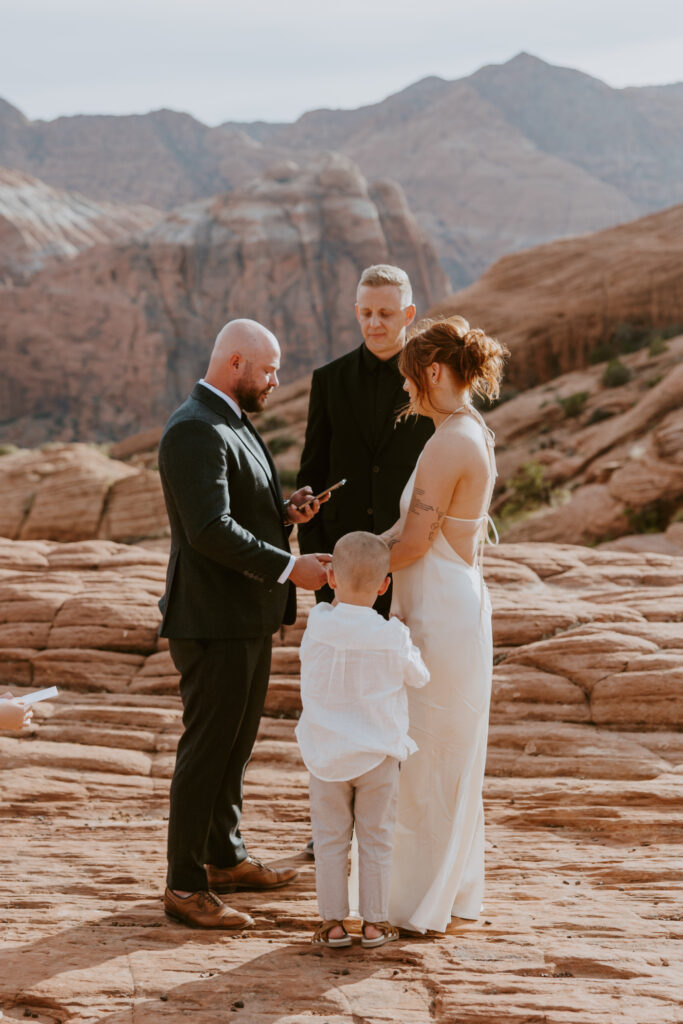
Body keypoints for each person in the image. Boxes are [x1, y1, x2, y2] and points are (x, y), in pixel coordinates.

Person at [158, 318, 331, 930]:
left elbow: (237, 510)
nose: (276, 380)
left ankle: (224, 858)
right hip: (212, 621)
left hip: (244, 617)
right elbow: (208, 531)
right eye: (268, 369)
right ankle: (183, 884)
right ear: (235, 363)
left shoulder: (229, 418)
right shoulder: (193, 429)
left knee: (234, 747)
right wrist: (291, 567)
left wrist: (284, 513)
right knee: (206, 751)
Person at [381, 315, 509, 934]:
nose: (407, 390)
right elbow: (413, 539)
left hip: (440, 611)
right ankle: (448, 891)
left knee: (428, 754)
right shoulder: (469, 431)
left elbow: (411, 544)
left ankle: (414, 902)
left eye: (410, 379)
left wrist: (343, 570)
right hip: (448, 599)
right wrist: (355, 549)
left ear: (433, 372)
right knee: (443, 753)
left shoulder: (447, 443)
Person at [296, 532, 429, 948]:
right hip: (377, 756)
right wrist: (405, 640)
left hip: (326, 756)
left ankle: (332, 924)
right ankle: (374, 923)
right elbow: (420, 677)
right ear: (385, 584)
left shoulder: (318, 622)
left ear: (330, 579)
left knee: (331, 841)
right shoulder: (392, 634)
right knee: (376, 840)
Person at [297, 264, 434, 619]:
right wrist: (320, 560)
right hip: (341, 565)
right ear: (357, 312)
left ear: (408, 314)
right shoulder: (328, 380)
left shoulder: (432, 381)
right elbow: (312, 472)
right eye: (367, 313)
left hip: (412, 561)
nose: (374, 323)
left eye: (386, 314)